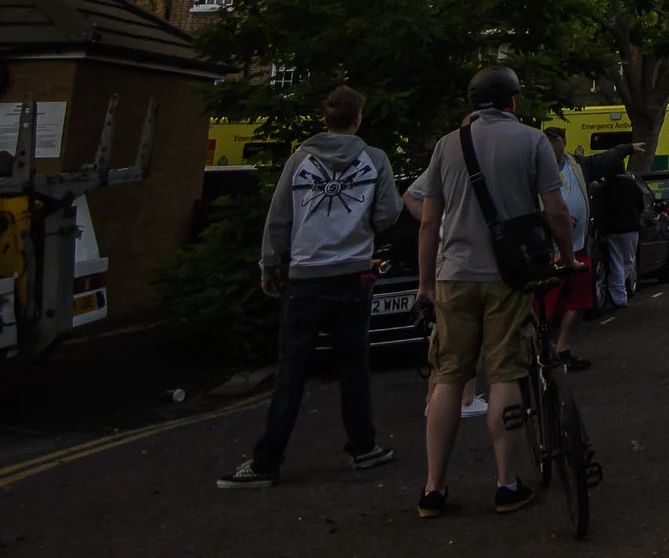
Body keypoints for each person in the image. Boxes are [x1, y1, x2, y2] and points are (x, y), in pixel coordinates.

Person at [404, 66, 570, 518]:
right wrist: (568, 258)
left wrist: (425, 285)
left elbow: (428, 224)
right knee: (504, 375)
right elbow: (556, 211)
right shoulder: (532, 141)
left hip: (454, 276)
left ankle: (433, 489)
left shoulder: (446, 146)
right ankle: (505, 484)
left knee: (448, 376)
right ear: (513, 101)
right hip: (508, 277)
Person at [219, 85, 401, 488]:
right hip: (352, 276)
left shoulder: (299, 160)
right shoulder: (374, 159)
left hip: (305, 277)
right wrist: (364, 224)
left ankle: (266, 462)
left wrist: (270, 266)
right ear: (358, 120)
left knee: (291, 371)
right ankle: (363, 447)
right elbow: (389, 212)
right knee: (354, 365)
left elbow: (278, 218)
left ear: (324, 119)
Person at [539, 126, 595, 371]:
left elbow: (604, 161)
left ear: (564, 141)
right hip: (550, 252)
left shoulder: (575, 165)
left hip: (578, 246)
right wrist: (552, 221)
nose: (552, 146)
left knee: (579, 301)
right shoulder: (536, 169)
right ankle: (542, 351)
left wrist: (627, 148)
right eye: (547, 141)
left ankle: (563, 349)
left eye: (555, 141)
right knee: (546, 305)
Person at [588, 146, 648, 313]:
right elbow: (640, 203)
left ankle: (618, 295)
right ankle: (618, 294)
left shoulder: (604, 188)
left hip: (612, 229)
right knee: (628, 261)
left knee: (616, 261)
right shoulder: (632, 185)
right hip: (630, 228)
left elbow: (598, 208)